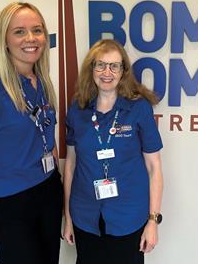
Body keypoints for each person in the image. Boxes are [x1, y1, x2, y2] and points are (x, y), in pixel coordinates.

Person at [0, 2, 62, 264]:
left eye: (37, 30)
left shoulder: (42, 83)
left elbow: (47, 138)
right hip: (11, 205)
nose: (31, 38)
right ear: (4, 39)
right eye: (19, 32)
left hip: (48, 192)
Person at [62, 39, 164, 264]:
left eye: (114, 66)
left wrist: (152, 221)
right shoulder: (78, 109)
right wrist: (68, 217)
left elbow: (154, 167)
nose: (107, 72)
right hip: (85, 216)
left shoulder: (138, 108)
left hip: (128, 217)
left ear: (123, 71)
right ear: (91, 69)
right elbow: (70, 166)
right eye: (100, 65)